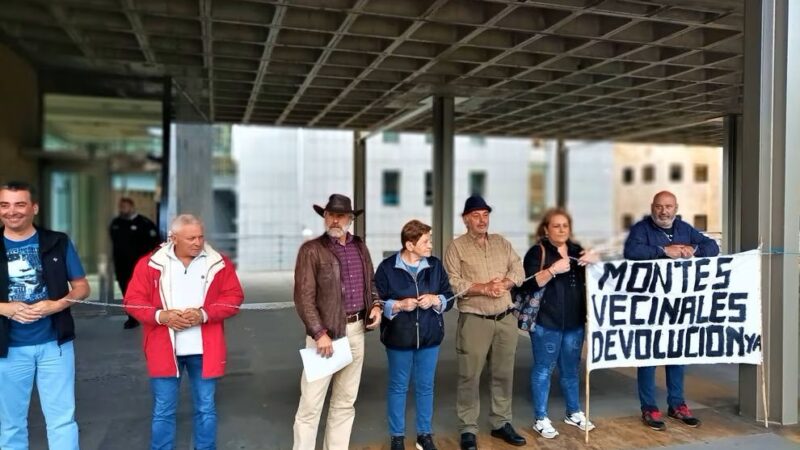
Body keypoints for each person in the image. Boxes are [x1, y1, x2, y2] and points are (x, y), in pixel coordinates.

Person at [124, 214, 244, 450]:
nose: (198, 243)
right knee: (163, 411)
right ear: (173, 238)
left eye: (201, 237)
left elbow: (234, 297)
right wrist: (161, 316)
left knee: (206, 409)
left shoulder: (218, 263)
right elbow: (133, 300)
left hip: (204, 350)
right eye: (191, 238)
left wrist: (204, 314)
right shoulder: (150, 263)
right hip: (164, 349)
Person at [0, 181, 90, 450]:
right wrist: (6, 308)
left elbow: (82, 287)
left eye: (19, 204)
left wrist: (57, 304)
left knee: (62, 420)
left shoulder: (57, 241)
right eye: (5, 205)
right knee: (10, 423)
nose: (11, 211)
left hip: (55, 345)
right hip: (8, 349)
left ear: (34, 208)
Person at [292, 194, 382, 450]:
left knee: (345, 403)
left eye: (340, 215)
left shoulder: (360, 247)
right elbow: (303, 297)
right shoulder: (311, 250)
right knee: (310, 405)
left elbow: (371, 283)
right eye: (330, 215)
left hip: (355, 332)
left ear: (350, 219)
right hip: (325, 335)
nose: (334, 220)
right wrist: (319, 333)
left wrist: (375, 305)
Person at [623, 190, 719, 431]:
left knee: (677, 354)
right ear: (652, 207)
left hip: (678, 305)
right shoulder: (641, 230)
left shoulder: (685, 229)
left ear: (675, 208)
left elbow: (712, 248)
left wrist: (692, 250)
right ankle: (649, 408)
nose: (663, 211)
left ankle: (677, 404)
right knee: (649, 357)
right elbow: (631, 252)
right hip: (650, 305)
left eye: (668, 206)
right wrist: (664, 251)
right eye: (659, 206)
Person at [443, 195, 526, 450]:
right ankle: (468, 428)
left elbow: (519, 269)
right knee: (469, 375)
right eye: (476, 215)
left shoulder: (501, 243)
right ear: (466, 219)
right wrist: (483, 288)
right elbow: (453, 282)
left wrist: (507, 283)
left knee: (503, 374)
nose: (482, 220)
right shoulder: (456, 247)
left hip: (505, 319)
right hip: (475, 320)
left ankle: (501, 422)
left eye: (485, 215)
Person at [374, 220, 455, 450]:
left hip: (430, 337)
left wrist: (436, 300)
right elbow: (376, 300)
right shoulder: (387, 268)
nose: (430, 245)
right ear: (410, 245)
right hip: (398, 338)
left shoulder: (435, 265)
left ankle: (424, 435)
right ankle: (397, 437)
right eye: (426, 241)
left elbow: (449, 296)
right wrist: (398, 305)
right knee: (398, 386)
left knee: (426, 386)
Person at [521, 208, 598, 439]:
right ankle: (540, 417)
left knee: (571, 369)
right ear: (546, 229)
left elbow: (599, 275)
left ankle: (573, 412)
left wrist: (595, 259)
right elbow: (529, 284)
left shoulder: (577, 250)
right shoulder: (537, 252)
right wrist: (553, 270)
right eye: (556, 225)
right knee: (544, 369)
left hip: (574, 322)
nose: (562, 229)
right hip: (547, 322)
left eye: (565, 225)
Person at [110, 197, 160, 329]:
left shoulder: (144, 223)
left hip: (140, 266)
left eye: (125, 206)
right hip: (122, 266)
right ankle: (131, 318)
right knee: (126, 291)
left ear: (132, 207)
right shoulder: (116, 223)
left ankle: (151, 314)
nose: (122, 209)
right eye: (121, 207)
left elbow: (156, 244)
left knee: (145, 291)